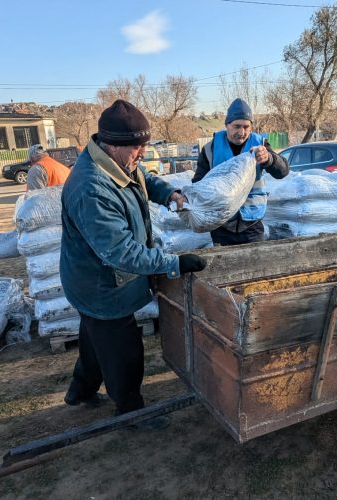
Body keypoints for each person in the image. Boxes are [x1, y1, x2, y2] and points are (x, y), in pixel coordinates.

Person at [60, 99, 207, 427]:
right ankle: (130, 410)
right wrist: (173, 263)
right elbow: (120, 252)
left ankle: (80, 391)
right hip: (101, 284)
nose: (142, 154)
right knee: (122, 349)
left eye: (144, 146)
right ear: (112, 145)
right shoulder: (91, 188)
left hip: (90, 282)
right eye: (136, 148)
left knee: (93, 337)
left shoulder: (116, 162)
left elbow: (144, 178)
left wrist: (169, 194)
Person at [192, 98, 289, 245]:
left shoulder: (260, 144)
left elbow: (283, 171)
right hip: (221, 224)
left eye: (246, 127)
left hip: (251, 224)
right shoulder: (210, 149)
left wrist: (269, 159)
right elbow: (198, 183)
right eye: (236, 126)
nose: (241, 132)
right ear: (227, 125)